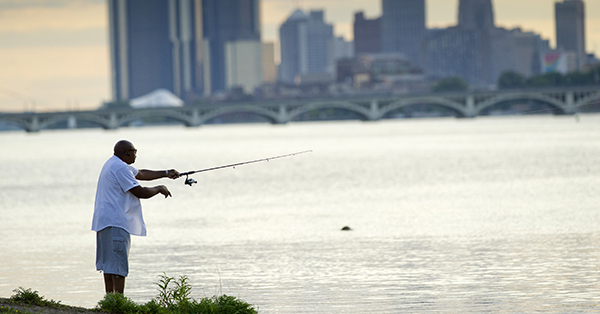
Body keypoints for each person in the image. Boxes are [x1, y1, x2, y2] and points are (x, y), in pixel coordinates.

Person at [91, 140, 180, 294]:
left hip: (104, 222)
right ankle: (118, 303)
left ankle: (110, 301)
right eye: (134, 151)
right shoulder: (119, 168)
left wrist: (166, 173)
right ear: (127, 153)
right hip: (116, 222)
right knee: (118, 265)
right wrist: (159, 188)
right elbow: (140, 192)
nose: (136, 154)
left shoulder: (113, 163)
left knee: (109, 265)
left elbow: (142, 173)